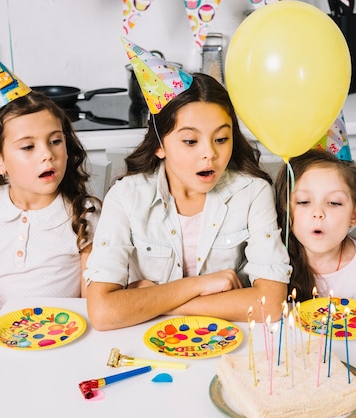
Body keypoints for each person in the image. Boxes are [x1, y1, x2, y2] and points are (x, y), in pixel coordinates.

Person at [85, 39, 291, 330]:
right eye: (190, 141)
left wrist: (152, 302)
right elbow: (104, 313)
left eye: (221, 138)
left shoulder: (253, 192)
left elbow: (270, 305)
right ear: (159, 145)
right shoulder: (126, 197)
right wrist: (201, 285)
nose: (209, 153)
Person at [0, 38, 100, 332]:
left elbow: (91, 300)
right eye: (28, 147)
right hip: (0, 337)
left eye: (55, 141)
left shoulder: (84, 212)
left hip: (65, 336)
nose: (48, 154)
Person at [274, 149, 356, 304]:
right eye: (303, 202)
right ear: (287, 209)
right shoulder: (272, 261)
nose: (318, 213)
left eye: (334, 203)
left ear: (354, 215)